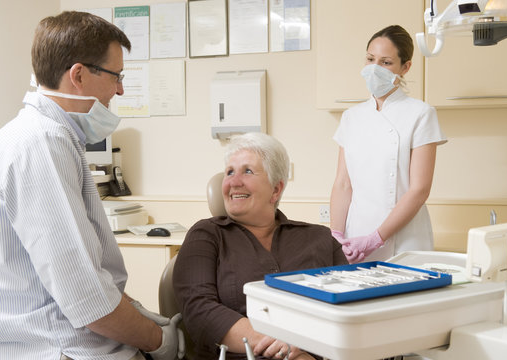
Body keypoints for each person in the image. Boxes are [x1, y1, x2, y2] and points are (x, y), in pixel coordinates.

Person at [0, 11, 183, 360]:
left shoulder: (37, 137)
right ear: (78, 75)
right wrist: (158, 340)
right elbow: (88, 299)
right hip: (59, 348)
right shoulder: (40, 144)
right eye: (115, 76)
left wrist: (133, 309)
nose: (119, 89)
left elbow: (83, 275)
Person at [173, 133, 348, 360]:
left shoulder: (319, 238)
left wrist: (305, 347)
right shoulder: (206, 235)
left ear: (276, 190)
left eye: (247, 171)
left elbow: (346, 307)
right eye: (229, 172)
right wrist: (284, 344)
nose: (234, 181)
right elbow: (199, 310)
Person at [329, 25, 447, 264]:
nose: (374, 69)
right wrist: (335, 236)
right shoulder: (352, 117)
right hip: (355, 238)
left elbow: (419, 190)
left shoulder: (421, 114)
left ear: (405, 67)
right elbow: (343, 185)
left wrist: (375, 239)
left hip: (404, 241)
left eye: (385, 62)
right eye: (370, 59)